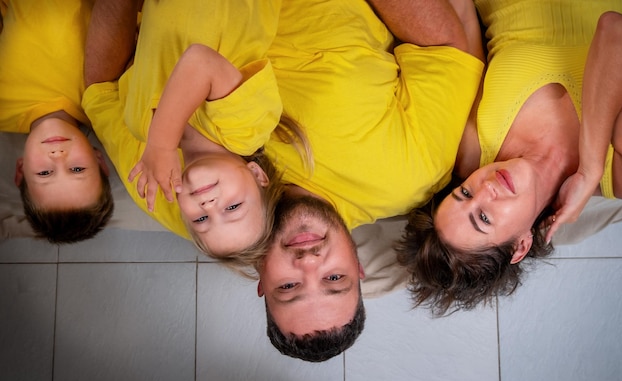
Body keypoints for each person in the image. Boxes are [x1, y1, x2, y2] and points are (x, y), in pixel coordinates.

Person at [255, 0, 485, 361]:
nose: (309, 261)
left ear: (261, 282)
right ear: (359, 268)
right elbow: (443, 48)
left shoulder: (202, 206)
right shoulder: (409, 178)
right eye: (334, 279)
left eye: (288, 286)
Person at [396, 0, 622, 316]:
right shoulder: (618, 173)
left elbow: (462, 17)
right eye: (484, 217)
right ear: (520, 245)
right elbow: (616, 31)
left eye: (464, 193)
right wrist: (589, 168)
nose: (485, 188)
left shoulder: (471, 149)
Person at [82, 0, 308, 267]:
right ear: (256, 175)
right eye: (233, 207)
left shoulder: (140, 125)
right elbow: (199, 61)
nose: (209, 205)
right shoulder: (244, 131)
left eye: (201, 220)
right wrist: (161, 146)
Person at [0, 0, 114, 243]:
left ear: (21, 170)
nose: (58, 155)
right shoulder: (105, 97)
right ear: (98, 160)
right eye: (76, 169)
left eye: (44, 172)